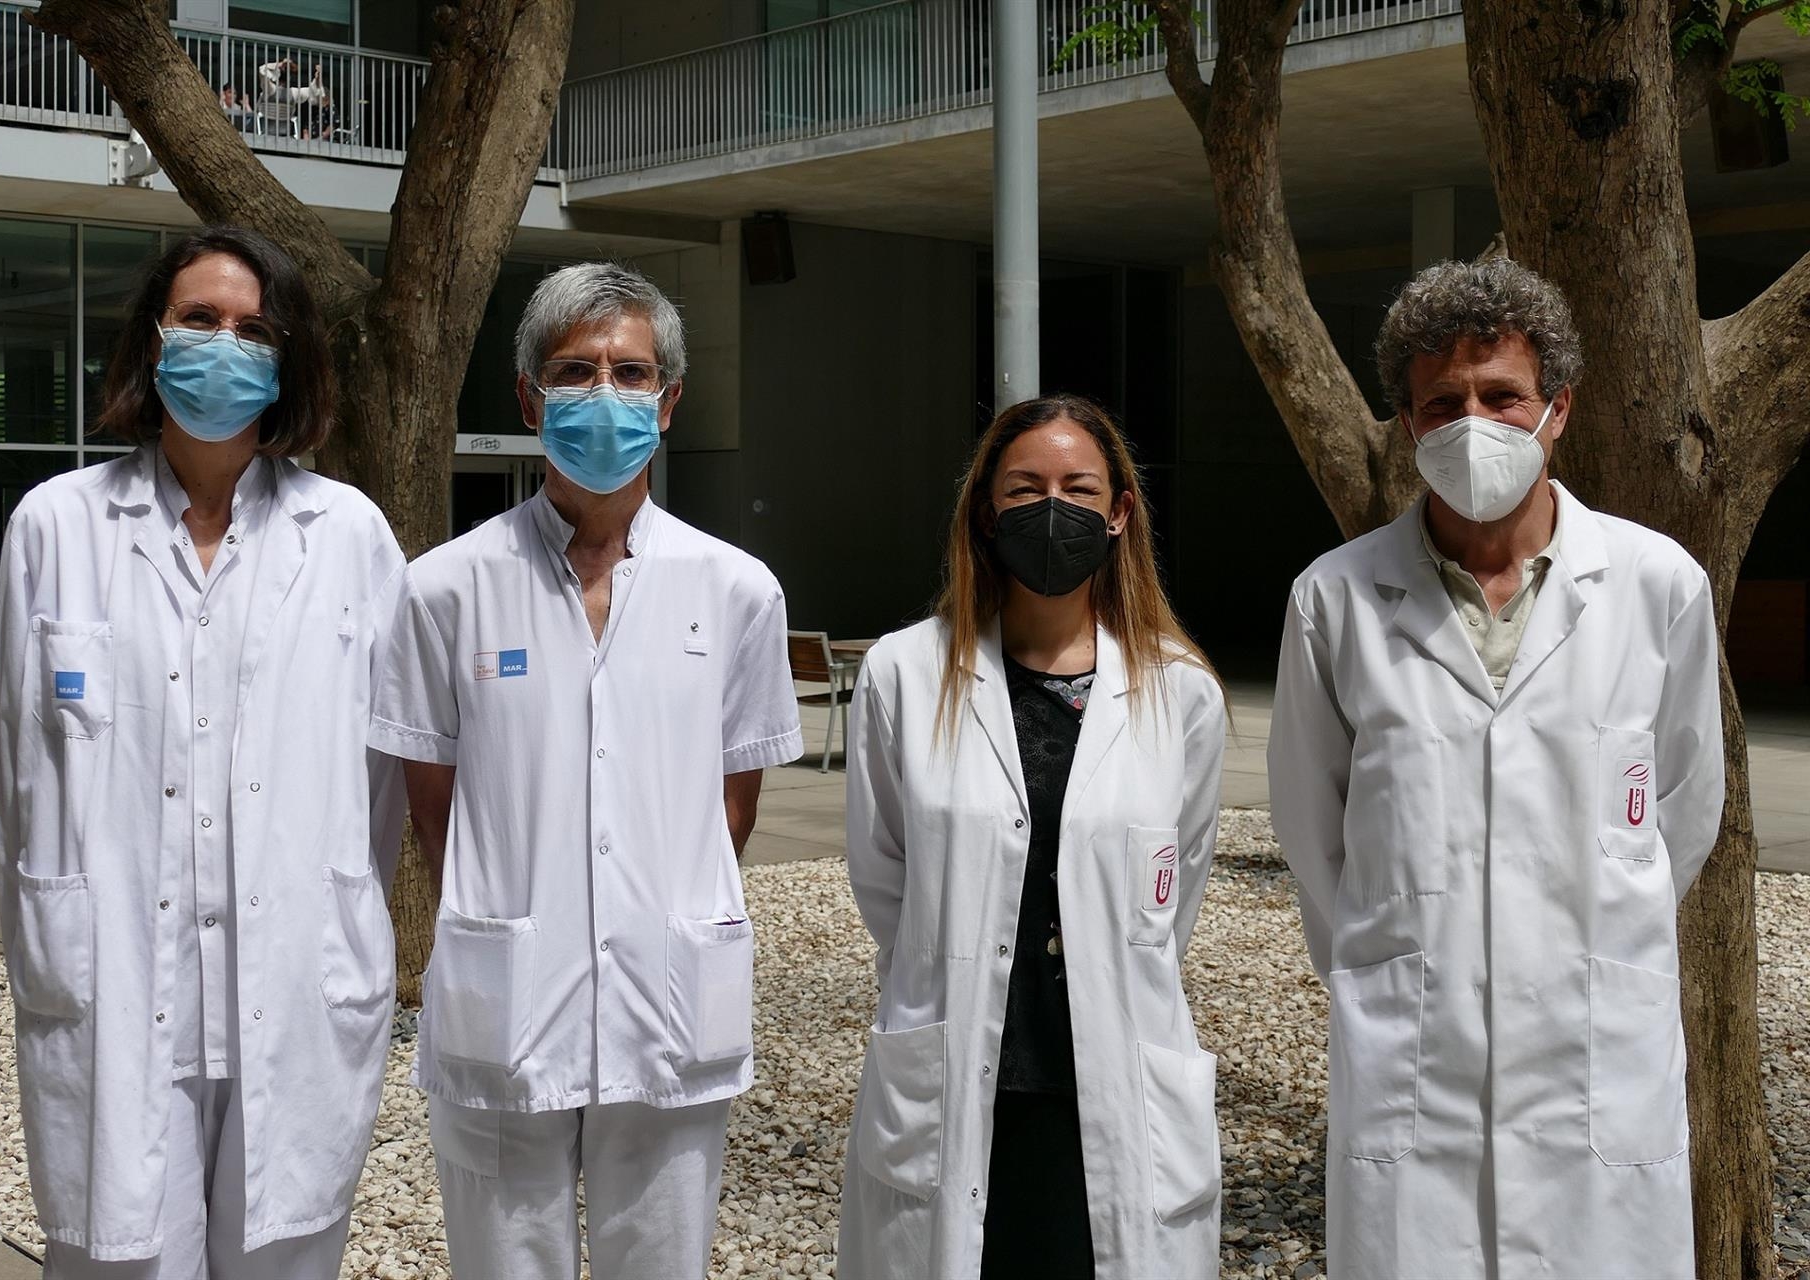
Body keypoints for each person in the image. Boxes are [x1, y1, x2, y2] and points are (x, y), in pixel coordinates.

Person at [1268, 257, 1726, 1279]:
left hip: (1594, 1050)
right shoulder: (1334, 600)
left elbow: (1685, 808)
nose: (1472, 422)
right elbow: (1311, 828)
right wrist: (1392, 967)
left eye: (1501, 395)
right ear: (1407, 422)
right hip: (1416, 1054)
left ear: (1558, 409)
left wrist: (1594, 924)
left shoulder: (1657, 586)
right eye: (1443, 402)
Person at [368, 262, 803, 1278]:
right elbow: (433, 804)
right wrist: (514, 905)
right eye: (575, 371)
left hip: (670, 999)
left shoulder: (736, 590)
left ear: (669, 400)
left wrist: (659, 900)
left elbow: (732, 801)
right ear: (529, 400)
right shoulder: (446, 588)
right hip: (504, 1001)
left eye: (630, 371)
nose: (604, 392)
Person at [0, 226, 407, 1277]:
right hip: (121, 982)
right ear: (153, 338)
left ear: (289, 357)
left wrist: (344, 908)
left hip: (296, 980)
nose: (225, 345)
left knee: (285, 1252)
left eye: (255, 329)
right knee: (120, 1255)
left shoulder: (348, 534)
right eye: (200, 319)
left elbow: (381, 778)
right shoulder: (57, 526)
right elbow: (19, 776)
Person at [837, 395, 1228, 1280]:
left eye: (1079, 489)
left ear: (1120, 512)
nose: (1053, 510)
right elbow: (887, 881)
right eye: (1024, 489)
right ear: (985, 510)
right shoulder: (905, 673)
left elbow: (1175, 896)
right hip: (956, 1081)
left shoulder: (1180, 693)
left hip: (1114, 1079)